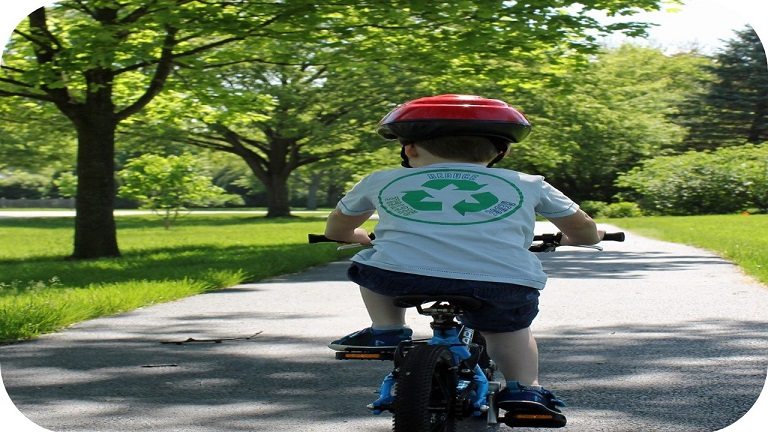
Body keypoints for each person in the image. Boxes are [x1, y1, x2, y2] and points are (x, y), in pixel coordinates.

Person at [323, 94, 604, 424]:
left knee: (371, 262)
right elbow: (583, 227)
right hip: (499, 283)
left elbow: (338, 227)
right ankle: (524, 389)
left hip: (401, 277)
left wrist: (356, 236)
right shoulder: (528, 184)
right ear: (503, 151)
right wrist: (584, 239)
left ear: (409, 149)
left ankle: (387, 329)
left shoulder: (381, 180)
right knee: (510, 330)